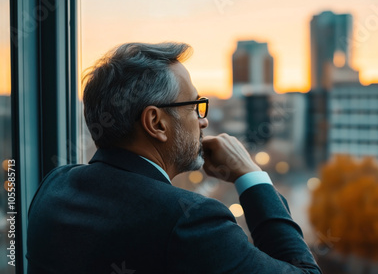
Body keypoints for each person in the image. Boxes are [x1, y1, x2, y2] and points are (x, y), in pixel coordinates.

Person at [27, 42, 322, 274]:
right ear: (156, 123)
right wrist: (251, 176)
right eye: (195, 106)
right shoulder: (190, 221)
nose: (203, 121)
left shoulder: (53, 188)